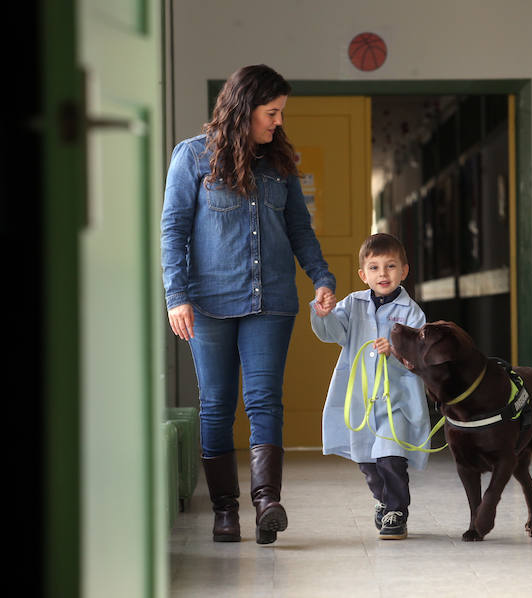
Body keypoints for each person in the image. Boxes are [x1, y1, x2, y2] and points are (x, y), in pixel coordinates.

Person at [160, 64, 337, 545]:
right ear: (244, 108)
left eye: (281, 113)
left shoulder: (279, 163)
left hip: (271, 301)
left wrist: (322, 277)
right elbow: (173, 230)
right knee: (216, 405)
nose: (278, 121)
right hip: (209, 304)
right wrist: (176, 296)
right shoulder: (192, 158)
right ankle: (224, 510)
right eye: (271, 112)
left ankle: (267, 503)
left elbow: (300, 229)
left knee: (264, 402)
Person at [310, 233, 430, 540]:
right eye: (374, 268)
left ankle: (397, 511)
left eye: (391, 266)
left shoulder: (411, 311)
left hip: (397, 399)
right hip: (362, 395)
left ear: (404, 271)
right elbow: (333, 332)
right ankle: (382, 500)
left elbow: (420, 352)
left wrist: (395, 350)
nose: (383, 274)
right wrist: (322, 313)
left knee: (391, 456)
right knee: (367, 459)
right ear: (363, 275)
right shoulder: (353, 304)